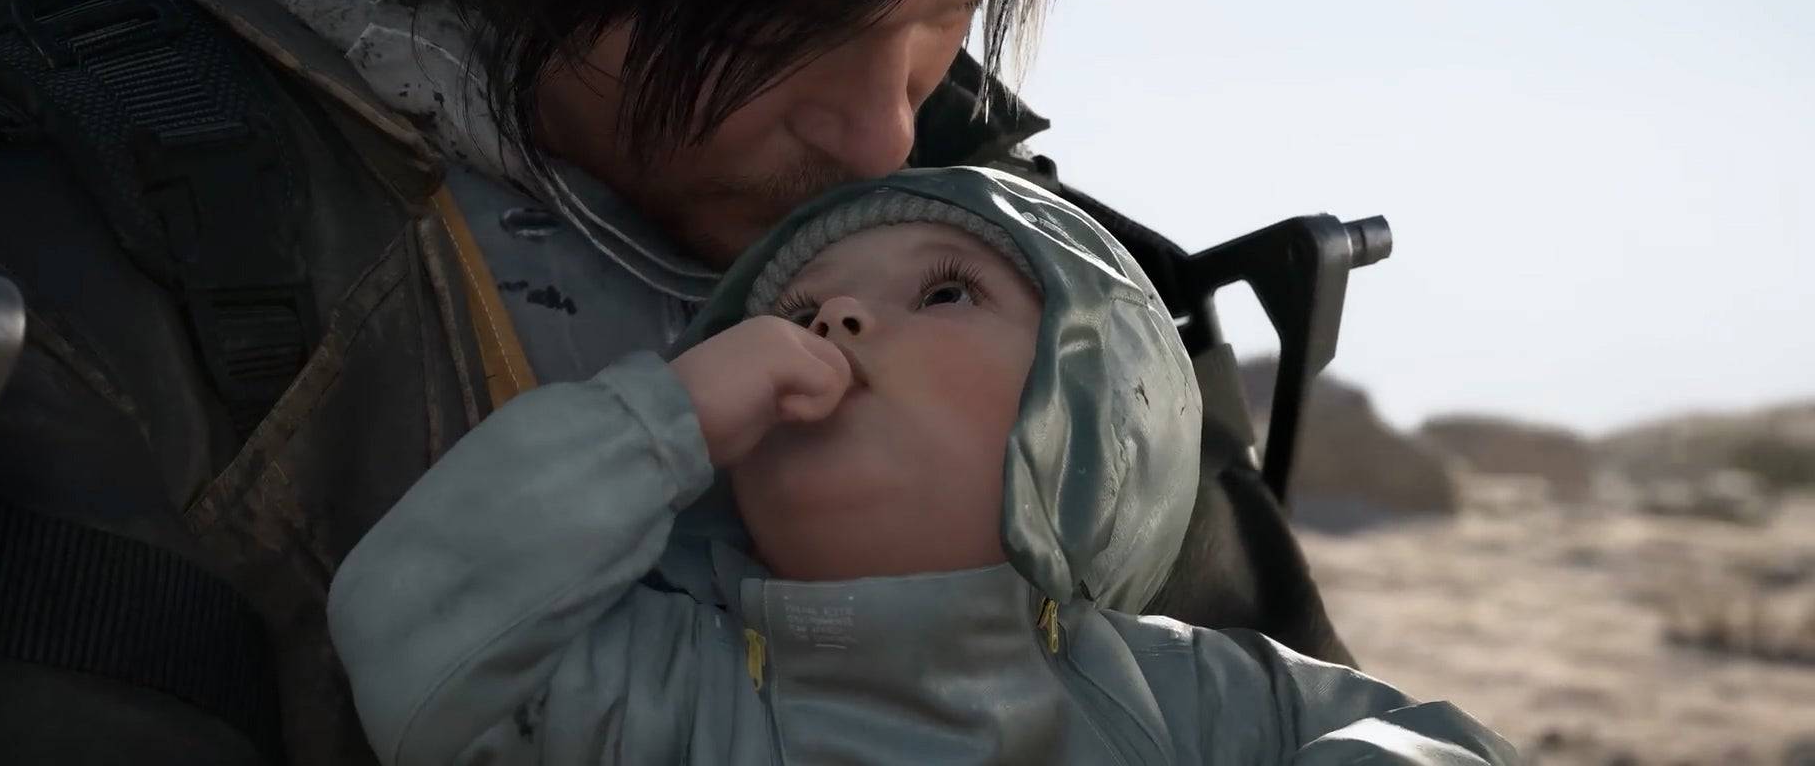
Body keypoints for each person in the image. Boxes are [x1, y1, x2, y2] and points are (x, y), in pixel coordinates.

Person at [0, 0, 1344, 764]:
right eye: (779, 21)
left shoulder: (1023, 242)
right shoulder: (53, 256)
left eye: (948, 12)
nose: (883, 137)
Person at [329, 168, 1516, 766]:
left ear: (1101, 402)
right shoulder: (671, 687)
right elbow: (411, 634)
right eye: (792, 312)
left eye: (945, 292)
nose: (833, 320)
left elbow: (1444, 746)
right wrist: (663, 417)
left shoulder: (1184, 689)